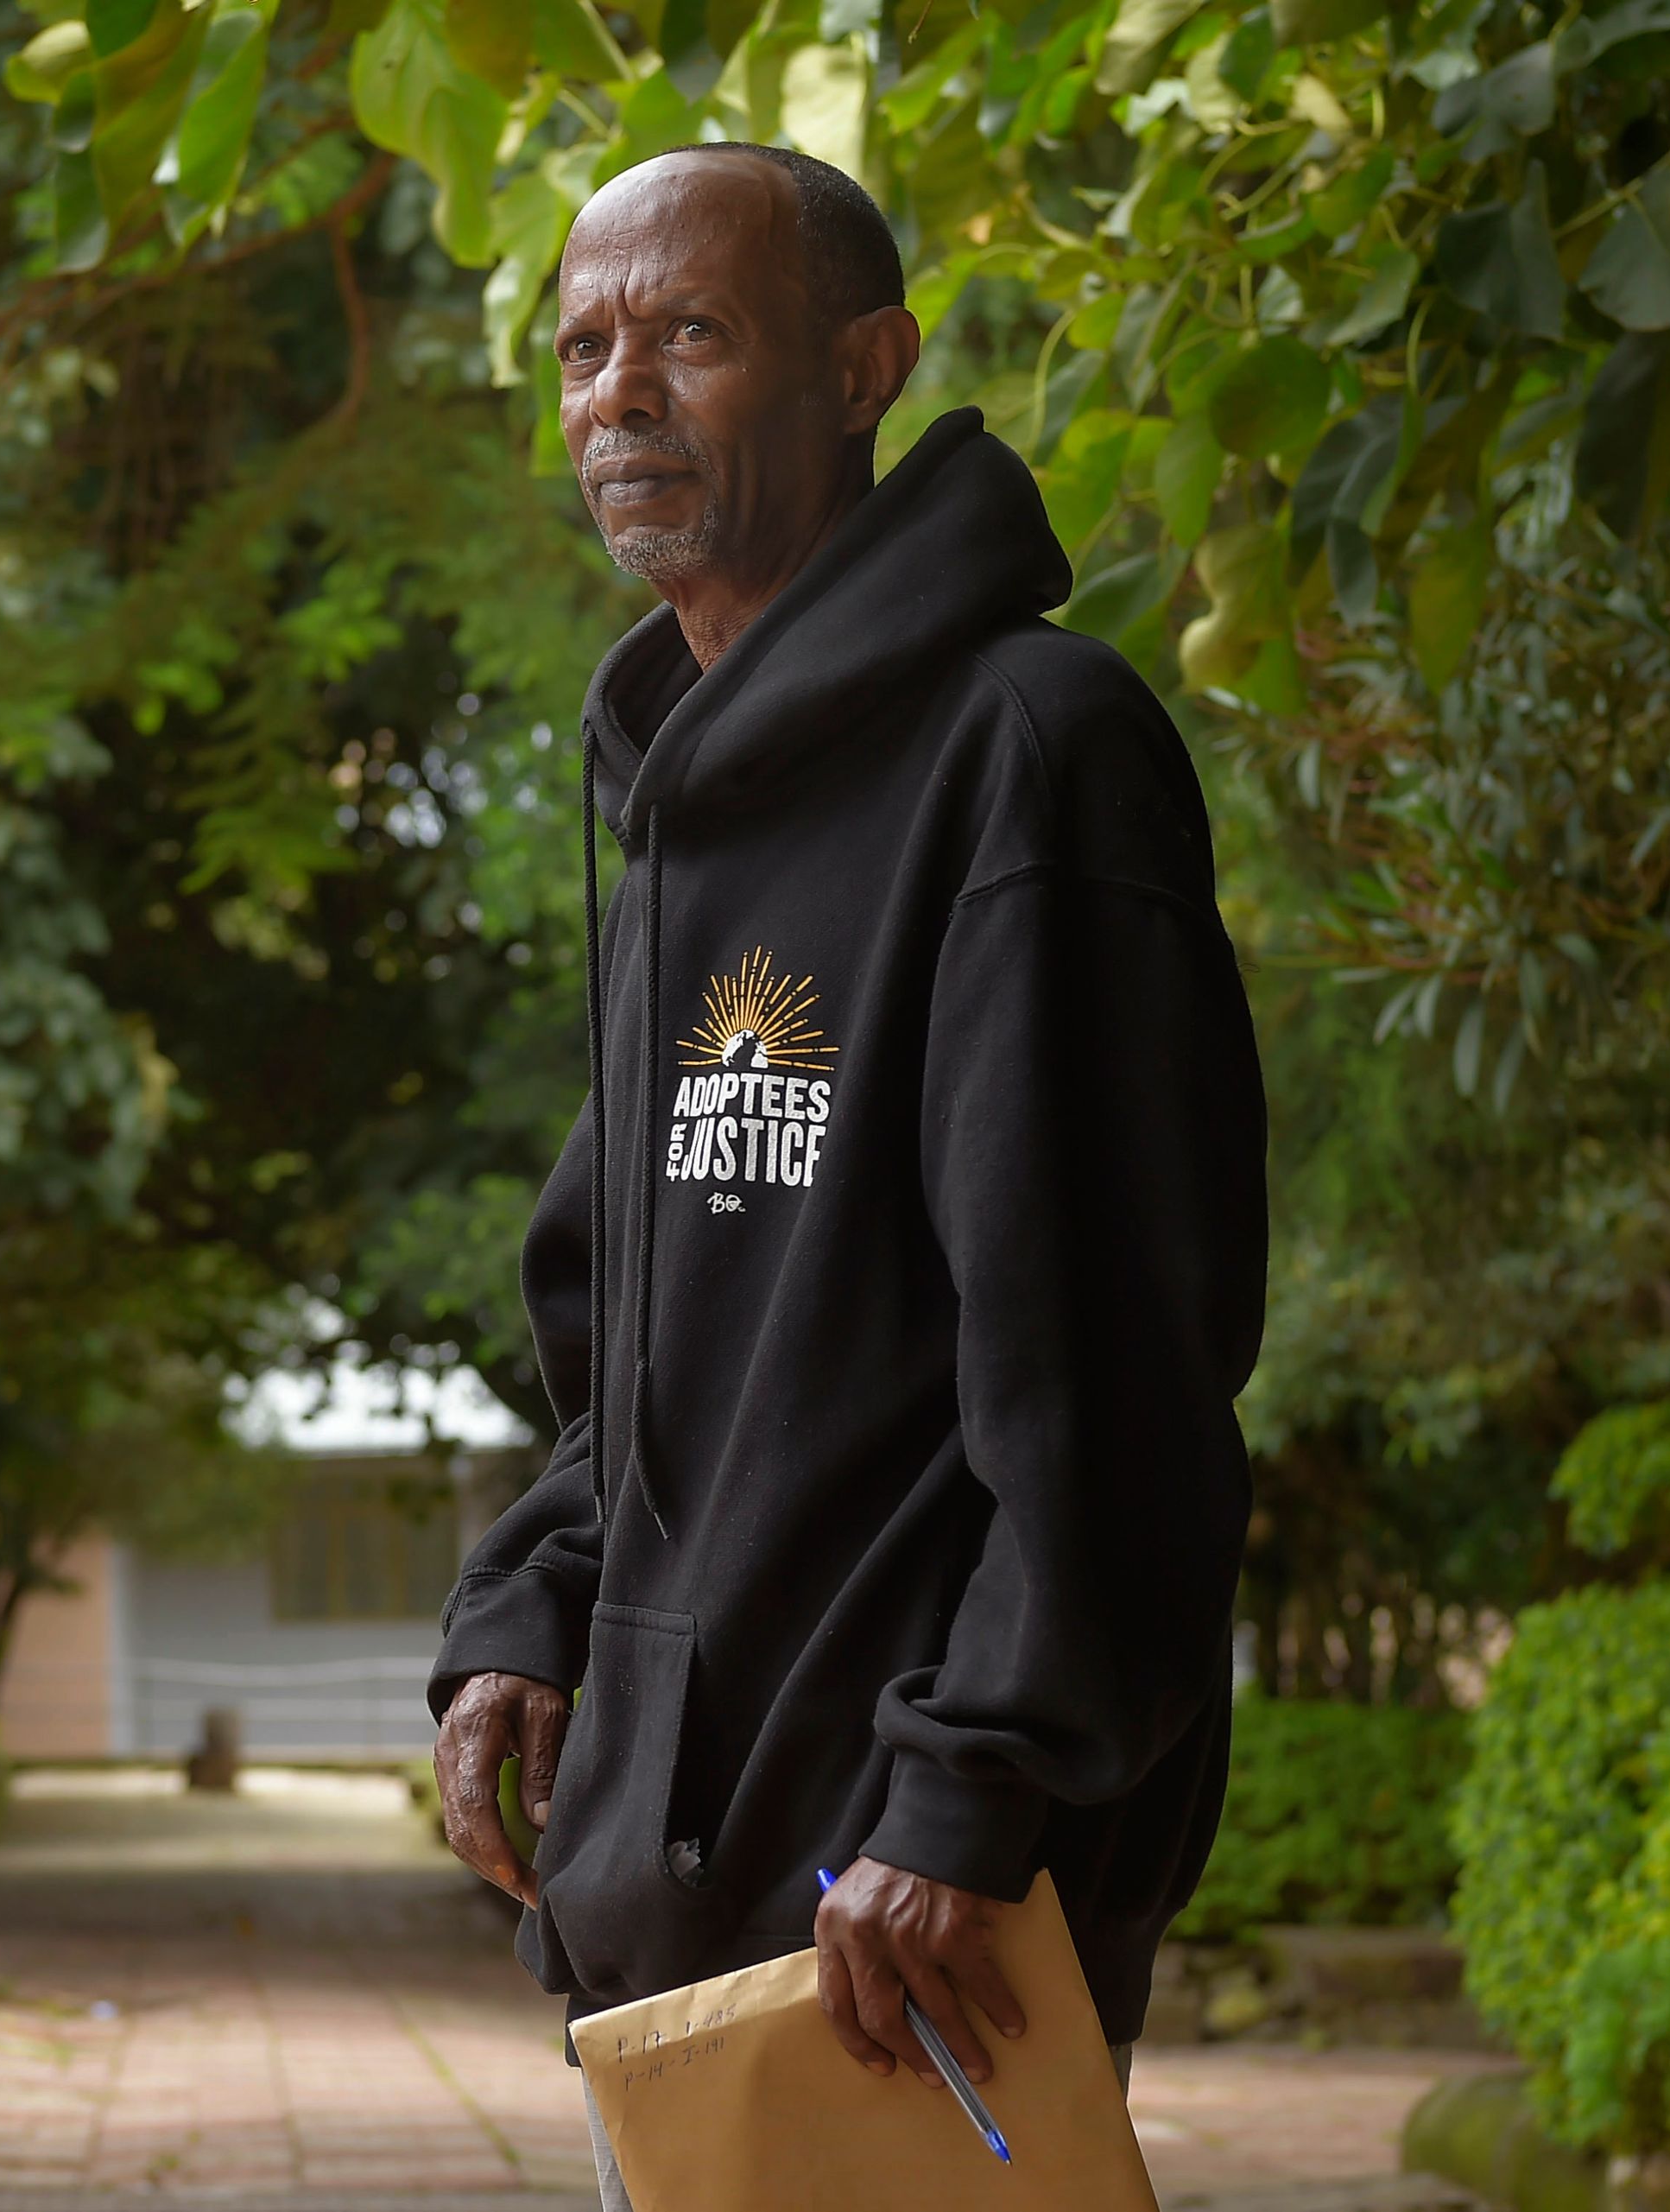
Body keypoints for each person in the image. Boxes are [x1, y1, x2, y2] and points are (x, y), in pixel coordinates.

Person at [425, 140, 1265, 2210]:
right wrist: (531, 1600)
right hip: (684, 1898)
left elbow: (1113, 1373)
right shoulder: (678, 821)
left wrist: (974, 1791)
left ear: (866, 365)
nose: (619, 393)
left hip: (914, 1921)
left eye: (691, 335)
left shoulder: (1032, 753)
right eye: (583, 348)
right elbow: (639, 1342)